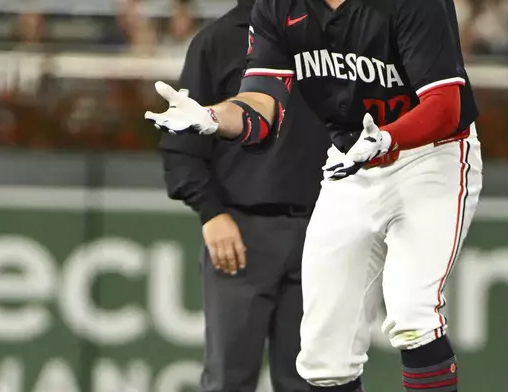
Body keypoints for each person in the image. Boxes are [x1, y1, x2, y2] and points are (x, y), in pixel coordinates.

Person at [147, 0, 483, 391]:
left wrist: (389, 138)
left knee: (413, 316)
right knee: (324, 360)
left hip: (429, 154)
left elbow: (445, 107)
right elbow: (260, 107)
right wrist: (211, 118)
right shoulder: (277, 6)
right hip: (351, 159)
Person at [158, 1, 330, 391]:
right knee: (229, 380)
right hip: (242, 231)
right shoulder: (218, 41)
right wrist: (211, 214)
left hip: (324, 230)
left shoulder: (332, 35)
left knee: (317, 380)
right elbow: (179, 143)